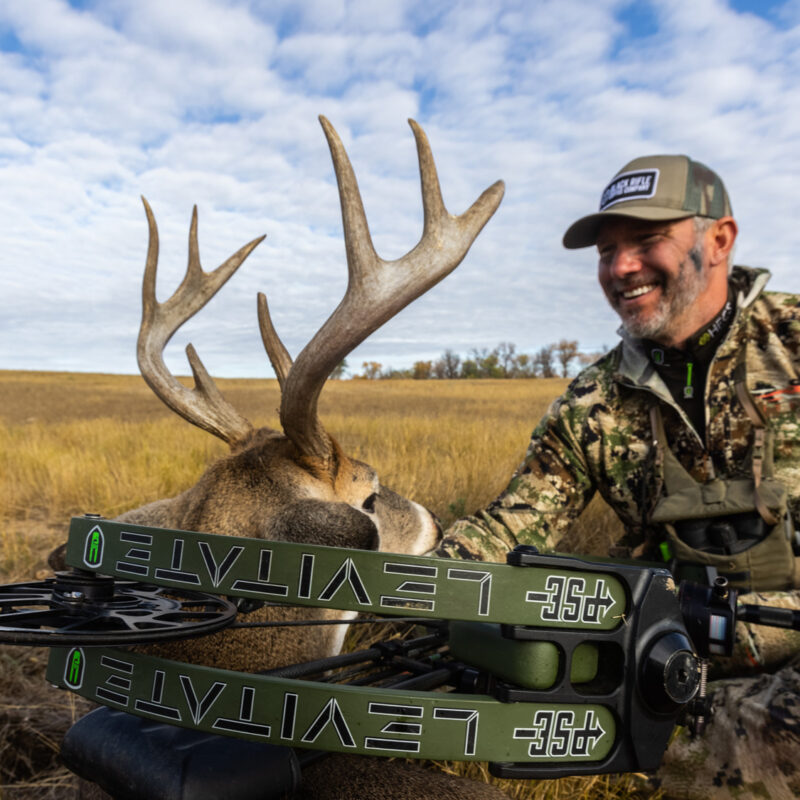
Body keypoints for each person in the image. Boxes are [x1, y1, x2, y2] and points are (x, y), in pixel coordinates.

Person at [438, 155, 800, 799]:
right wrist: (409, 583)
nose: (620, 268)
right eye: (607, 251)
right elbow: (512, 526)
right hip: (669, 671)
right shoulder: (591, 403)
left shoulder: (793, 341)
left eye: (645, 241)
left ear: (719, 239)